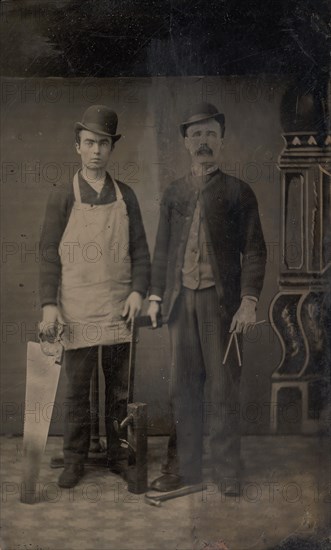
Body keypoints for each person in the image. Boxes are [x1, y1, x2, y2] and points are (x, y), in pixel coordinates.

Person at [148, 102, 267, 495]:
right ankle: (184, 467)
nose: (204, 142)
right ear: (185, 142)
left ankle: (228, 470)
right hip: (181, 304)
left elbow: (254, 250)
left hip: (222, 307)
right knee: (182, 388)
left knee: (223, 389)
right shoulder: (174, 193)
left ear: (222, 141)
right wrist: (154, 296)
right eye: (196, 135)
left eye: (211, 134)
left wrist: (248, 300)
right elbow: (162, 251)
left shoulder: (238, 192)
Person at [39, 105, 150, 488]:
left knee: (119, 391)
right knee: (77, 391)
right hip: (77, 309)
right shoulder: (62, 197)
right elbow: (48, 253)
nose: (96, 151)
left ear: (111, 149)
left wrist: (138, 292)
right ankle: (75, 459)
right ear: (78, 147)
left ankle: (120, 456)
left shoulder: (127, 196)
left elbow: (140, 251)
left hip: (120, 309)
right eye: (89, 143)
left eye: (103, 143)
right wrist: (50, 305)